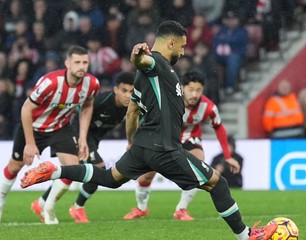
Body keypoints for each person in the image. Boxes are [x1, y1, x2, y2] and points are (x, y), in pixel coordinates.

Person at [21, 20, 277, 240]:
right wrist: (136, 55)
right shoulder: (156, 64)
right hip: (164, 147)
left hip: (144, 145)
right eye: (183, 45)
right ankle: (246, 236)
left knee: (110, 178)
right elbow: (142, 61)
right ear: (172, 43)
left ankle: (55, 170)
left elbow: (132, 113)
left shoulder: (145, 78)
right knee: (217, 184)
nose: (184, 50)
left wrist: (132, 142)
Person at [0, 46, 100, 224]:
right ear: (67, 63)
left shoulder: (92, 84)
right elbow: (26, 108)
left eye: (85, 62)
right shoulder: (51, 82)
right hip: (33, 127)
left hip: (60, 127)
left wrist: (83, 137)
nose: (82, 66)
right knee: (14, 167)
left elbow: (87, 106)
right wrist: (30, 143)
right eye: (77, 62)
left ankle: (47, 205)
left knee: (73, 169)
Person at [123, 71, 236, 221]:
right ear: (182, 88)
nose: (194, 94)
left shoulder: (208, 107)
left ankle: (181, 209)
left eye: (198, 90)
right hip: (163, 140)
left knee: (199, 167)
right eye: (191, 89)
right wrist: (135, 141)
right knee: (146, 176)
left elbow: (219, 127)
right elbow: (143, 117)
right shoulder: (168, 100)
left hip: (190, 139)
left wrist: (227, 156)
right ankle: (141, 208)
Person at [30, 71, 134, 223]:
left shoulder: (131, 106)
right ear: (115, 89)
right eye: (124, 91)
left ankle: (41, 203)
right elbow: (79, 112)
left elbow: (134, 121)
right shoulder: (102, 100)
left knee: (73, 171)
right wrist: (80, 139)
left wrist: (131, 141)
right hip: (78, 133)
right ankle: (77, 207)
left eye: (131, 91)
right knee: (99, 168)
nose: (128, 95)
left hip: (93, 139)